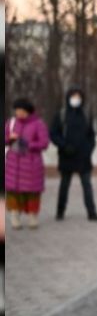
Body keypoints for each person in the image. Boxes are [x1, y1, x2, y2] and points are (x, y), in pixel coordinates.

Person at [50, 86, 97, 221]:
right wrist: (63, 145)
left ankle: (92, 212)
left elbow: (91, 136)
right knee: (64, 185)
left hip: (83, 157)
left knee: (87, 185)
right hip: (67, 155)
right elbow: (53, 134)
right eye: (73, 96)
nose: (76, 99)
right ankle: (60, 211)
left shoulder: (86, 115)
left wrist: (89, 149)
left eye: (78, 97)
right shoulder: (61, 115)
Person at [5, 98, 50, 229]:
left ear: (28, 111)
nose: (18, 113)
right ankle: (15, 216)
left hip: (31, 164)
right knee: (13, 192)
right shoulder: (11, 123)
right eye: (16, 111)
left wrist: (26, 144)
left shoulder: (38, 124)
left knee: (32, 192)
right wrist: (9, 139)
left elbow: (44, 143)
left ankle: (32, 216)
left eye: (21, 111)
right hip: (13, 164)